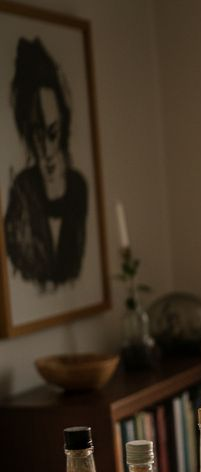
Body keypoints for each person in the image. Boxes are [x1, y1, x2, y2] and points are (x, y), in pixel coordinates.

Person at [4, 37, 89, 291]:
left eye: (53, 132)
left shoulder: (78, 187)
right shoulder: (21, 192)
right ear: (27, 137)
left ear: (64, 127)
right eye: (37, 136)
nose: (47, 150)